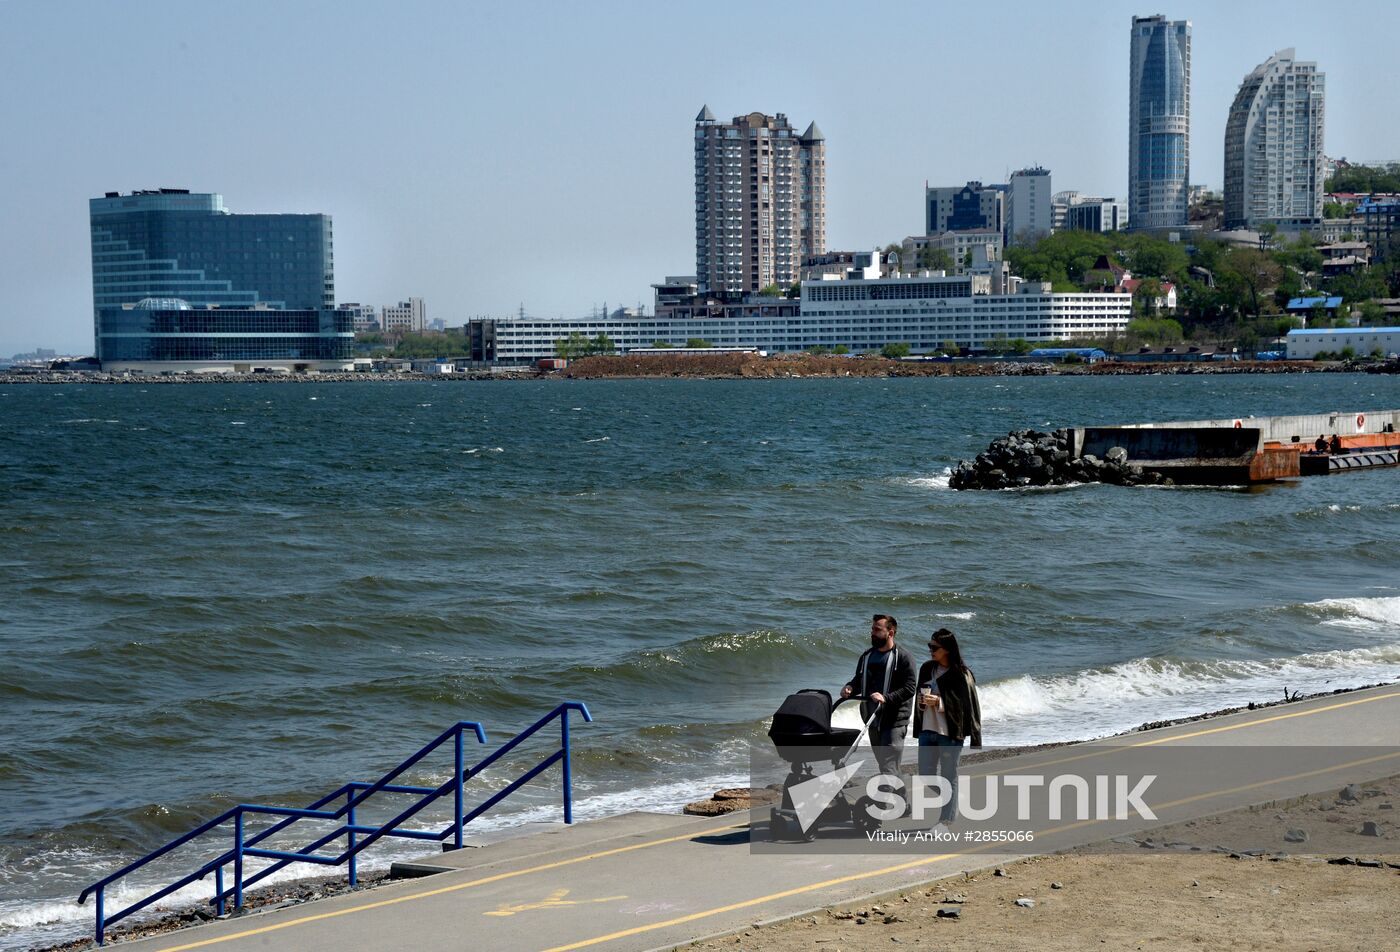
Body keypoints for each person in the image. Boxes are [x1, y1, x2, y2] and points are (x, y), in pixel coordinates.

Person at [915, 628, 982, 829]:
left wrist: (939, 702)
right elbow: (920, 698)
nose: (931, 650)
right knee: (925, 775)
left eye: (934, 647)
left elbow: (966, 706)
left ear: (947, 649)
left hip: (950, 734)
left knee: (949, 775)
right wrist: (921, 702)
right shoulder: (927, 669)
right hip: (927, 729)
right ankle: (953, 798)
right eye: (930, 646)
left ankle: (946, 820)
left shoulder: (962, 674)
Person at [840, 614, 916, 780]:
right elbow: (859, 680)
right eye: (872, 629)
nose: (872, 633)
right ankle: (902, 803)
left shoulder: (903, 657)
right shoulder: (866, 656)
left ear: (891, 632)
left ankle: (887, 804)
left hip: (894, 721)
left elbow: (910, 688)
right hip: (872, 719)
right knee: (886, 767)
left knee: (889, 768)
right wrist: (850, 688)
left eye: (877, 629)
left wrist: (886, 698)